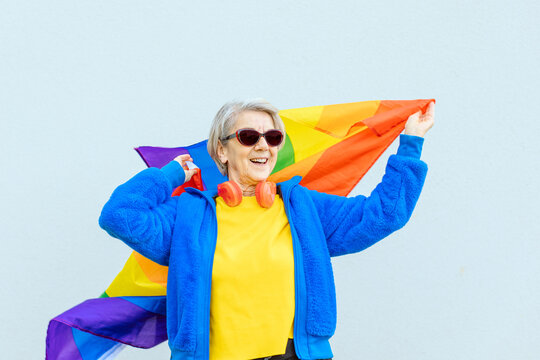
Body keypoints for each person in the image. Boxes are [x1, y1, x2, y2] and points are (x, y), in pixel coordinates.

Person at [99, 98, 433, 360]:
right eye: (249, 137)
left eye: (273, 137)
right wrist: (169, 175)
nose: (263, 146)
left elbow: (383, 214)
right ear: (221, 150)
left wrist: (410, 144)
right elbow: (119, 215)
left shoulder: (303, 209)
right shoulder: (188, 216)